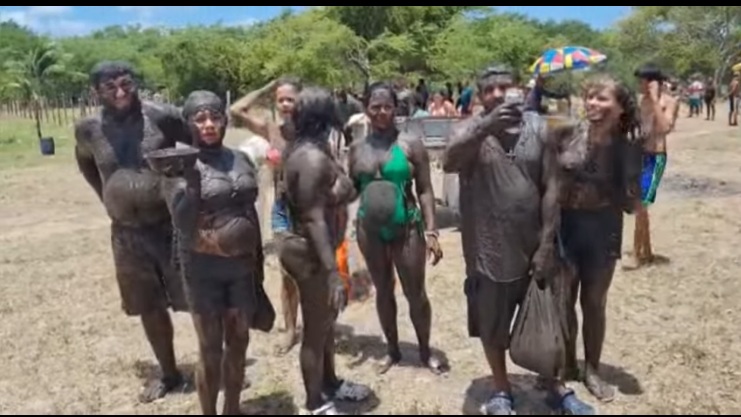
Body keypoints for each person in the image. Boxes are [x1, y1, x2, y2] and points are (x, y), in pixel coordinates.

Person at [443, 64, 592, 415]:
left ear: (518, 90)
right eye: (490, 89)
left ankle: (555, 386)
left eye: (504, 87)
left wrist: (545, 245)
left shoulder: (539, 128)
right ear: (480, 95)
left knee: (549, 319)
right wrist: (485, 126)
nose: (497, 94)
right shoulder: (469, 130)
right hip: (487, 249)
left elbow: (553, 190)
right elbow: (449, 161)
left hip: (534, 247)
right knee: (492, 324)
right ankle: (500, 389)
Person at [73, 61, 190, 402]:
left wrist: (186, 190)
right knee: (148, 305)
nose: (121, 93)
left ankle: (217, 364)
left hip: (168, 226)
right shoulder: (88, 130)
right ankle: (169, 373)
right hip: (126, 234)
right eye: (111, 88)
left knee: (197, 299)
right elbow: (84, 162)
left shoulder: (162, 117)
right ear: (96, 92)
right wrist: (107, 195)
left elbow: (200, 145)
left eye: (127, 84)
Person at [158, 91, 275, 415]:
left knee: (238, 343)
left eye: (215, 117)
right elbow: (181, 220)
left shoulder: (239, 157)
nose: (209, 124)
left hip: (241, 269)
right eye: (200, 118)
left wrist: (256, 263)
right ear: (189, 124)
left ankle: (233, 409)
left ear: (225, 120)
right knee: (210, 349)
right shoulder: (176, 166)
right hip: (203, 271)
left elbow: (251, 208)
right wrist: (192, 181)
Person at [279, 86, 371, 415]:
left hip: (320, 249)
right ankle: (314, 402)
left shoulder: (311, 149)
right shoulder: (311, 158)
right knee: (316, 330)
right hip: (310, 253)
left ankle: (330, 382)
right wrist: (332, 273)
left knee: (327, 322)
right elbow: (313, 218)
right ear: (325, 118)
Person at [555, 75, 643, 404]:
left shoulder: (628, 143)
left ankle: (591, 368)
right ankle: (565, 363)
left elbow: (637, 203)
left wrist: (635, 155)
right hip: (566, 225)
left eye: (602, 98)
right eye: (590, 97)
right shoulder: (566, 132)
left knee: (594, 302)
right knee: (563, 300)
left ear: (621, 108)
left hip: (604, 226)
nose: (593, 103)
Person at [348, 81, 446, 376]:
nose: (381, 112)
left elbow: (426, 190)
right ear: (366, 109)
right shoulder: (355, 149)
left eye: (387, 106)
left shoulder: (411, 144)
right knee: (382, 291)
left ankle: (426, 351)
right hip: (369, 231)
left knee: (415, 292)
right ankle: (392, 350)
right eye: (375, 107)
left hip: (407, 230)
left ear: (396, 108)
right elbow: (350, 191)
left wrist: (431, 231)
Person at [230, 77, 303, 355]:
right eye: (280, 99)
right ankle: (290, 331)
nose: (285, 104)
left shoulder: (313, 130)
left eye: (290, 99)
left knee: (314, 273)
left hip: (310, 209)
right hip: (283, 208)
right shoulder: (271, 130)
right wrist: (265, 87)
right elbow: (236, 110)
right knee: (287, 275)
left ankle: (320, 326)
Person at [623, 64, 678, 270]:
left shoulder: (668, 101)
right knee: (639, 206)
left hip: (656, 157)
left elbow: (664, 128)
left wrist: (655, 100)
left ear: (653, 82)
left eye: (643, 81)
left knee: (642, 205)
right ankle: (646, 250)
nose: (640, 85)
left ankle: (638, 255)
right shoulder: (640, 102)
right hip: (638, 154)